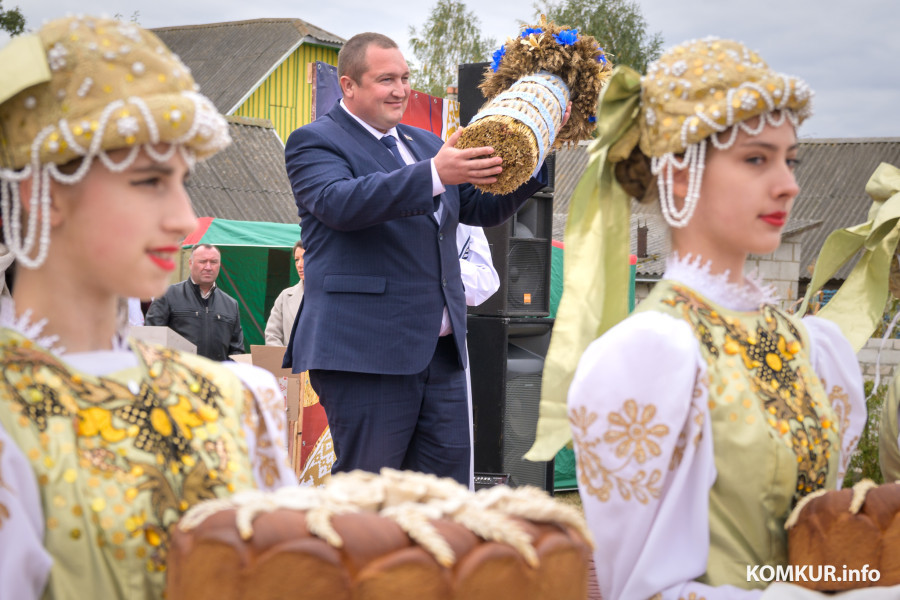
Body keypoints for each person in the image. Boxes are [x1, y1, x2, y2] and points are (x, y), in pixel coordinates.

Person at [531, 38, 879, 599]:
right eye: (756, 159)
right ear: (678, 174)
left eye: (789, 160)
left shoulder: (812, 344)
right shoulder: (652, 353)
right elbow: (644, 590)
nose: (788, 183)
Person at [0, 16, 295, 600]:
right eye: (149, 181)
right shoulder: (11, 423)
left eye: (182, 180)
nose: (183, 218)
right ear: (45, 193)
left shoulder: (239, 398)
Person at [283, 32, 561, 486]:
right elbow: (339, 203)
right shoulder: (314, 141)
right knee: (371, 493)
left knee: (443, 496)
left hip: (441, 355)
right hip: (366, 354)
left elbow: (478, 209)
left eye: (406, 78)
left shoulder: (426, 142)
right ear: (348, 85)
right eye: (386, 80)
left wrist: (536, 150)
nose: (401, 90)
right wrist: (434, 173)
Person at [145, 243, 245, 360]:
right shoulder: (167, 295)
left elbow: (236, 352)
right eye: (202, 261)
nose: (208, 267)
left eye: (213, 262)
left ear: (219, 265)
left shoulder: (231, 304)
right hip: (179, 370)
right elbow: (150, 339)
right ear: (190, 263)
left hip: (216, 372)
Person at [457, 223, 500, 490]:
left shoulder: (465, 216)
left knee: (452, 462)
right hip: (386, 349)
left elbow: (487, 282)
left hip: (447, 350)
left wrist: (440, 260)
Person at [265, 239, 305, 346]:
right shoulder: (285, 296)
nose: (299, 264)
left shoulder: (329, 296)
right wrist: (283, 356)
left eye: (305, 258)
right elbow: (272, 335)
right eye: (296, 259)